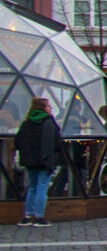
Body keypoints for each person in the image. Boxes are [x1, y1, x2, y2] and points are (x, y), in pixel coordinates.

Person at [14, 96, 61, 227]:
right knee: (42, 188)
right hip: (45, 160)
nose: (50, 108)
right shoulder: (49, 122)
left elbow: (18, 141)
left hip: (30, 161)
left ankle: (28, 215)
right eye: (48, 106)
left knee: (32, 188)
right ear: (43, 108)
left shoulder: (27, 122)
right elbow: (57, 143)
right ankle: (39, 217)